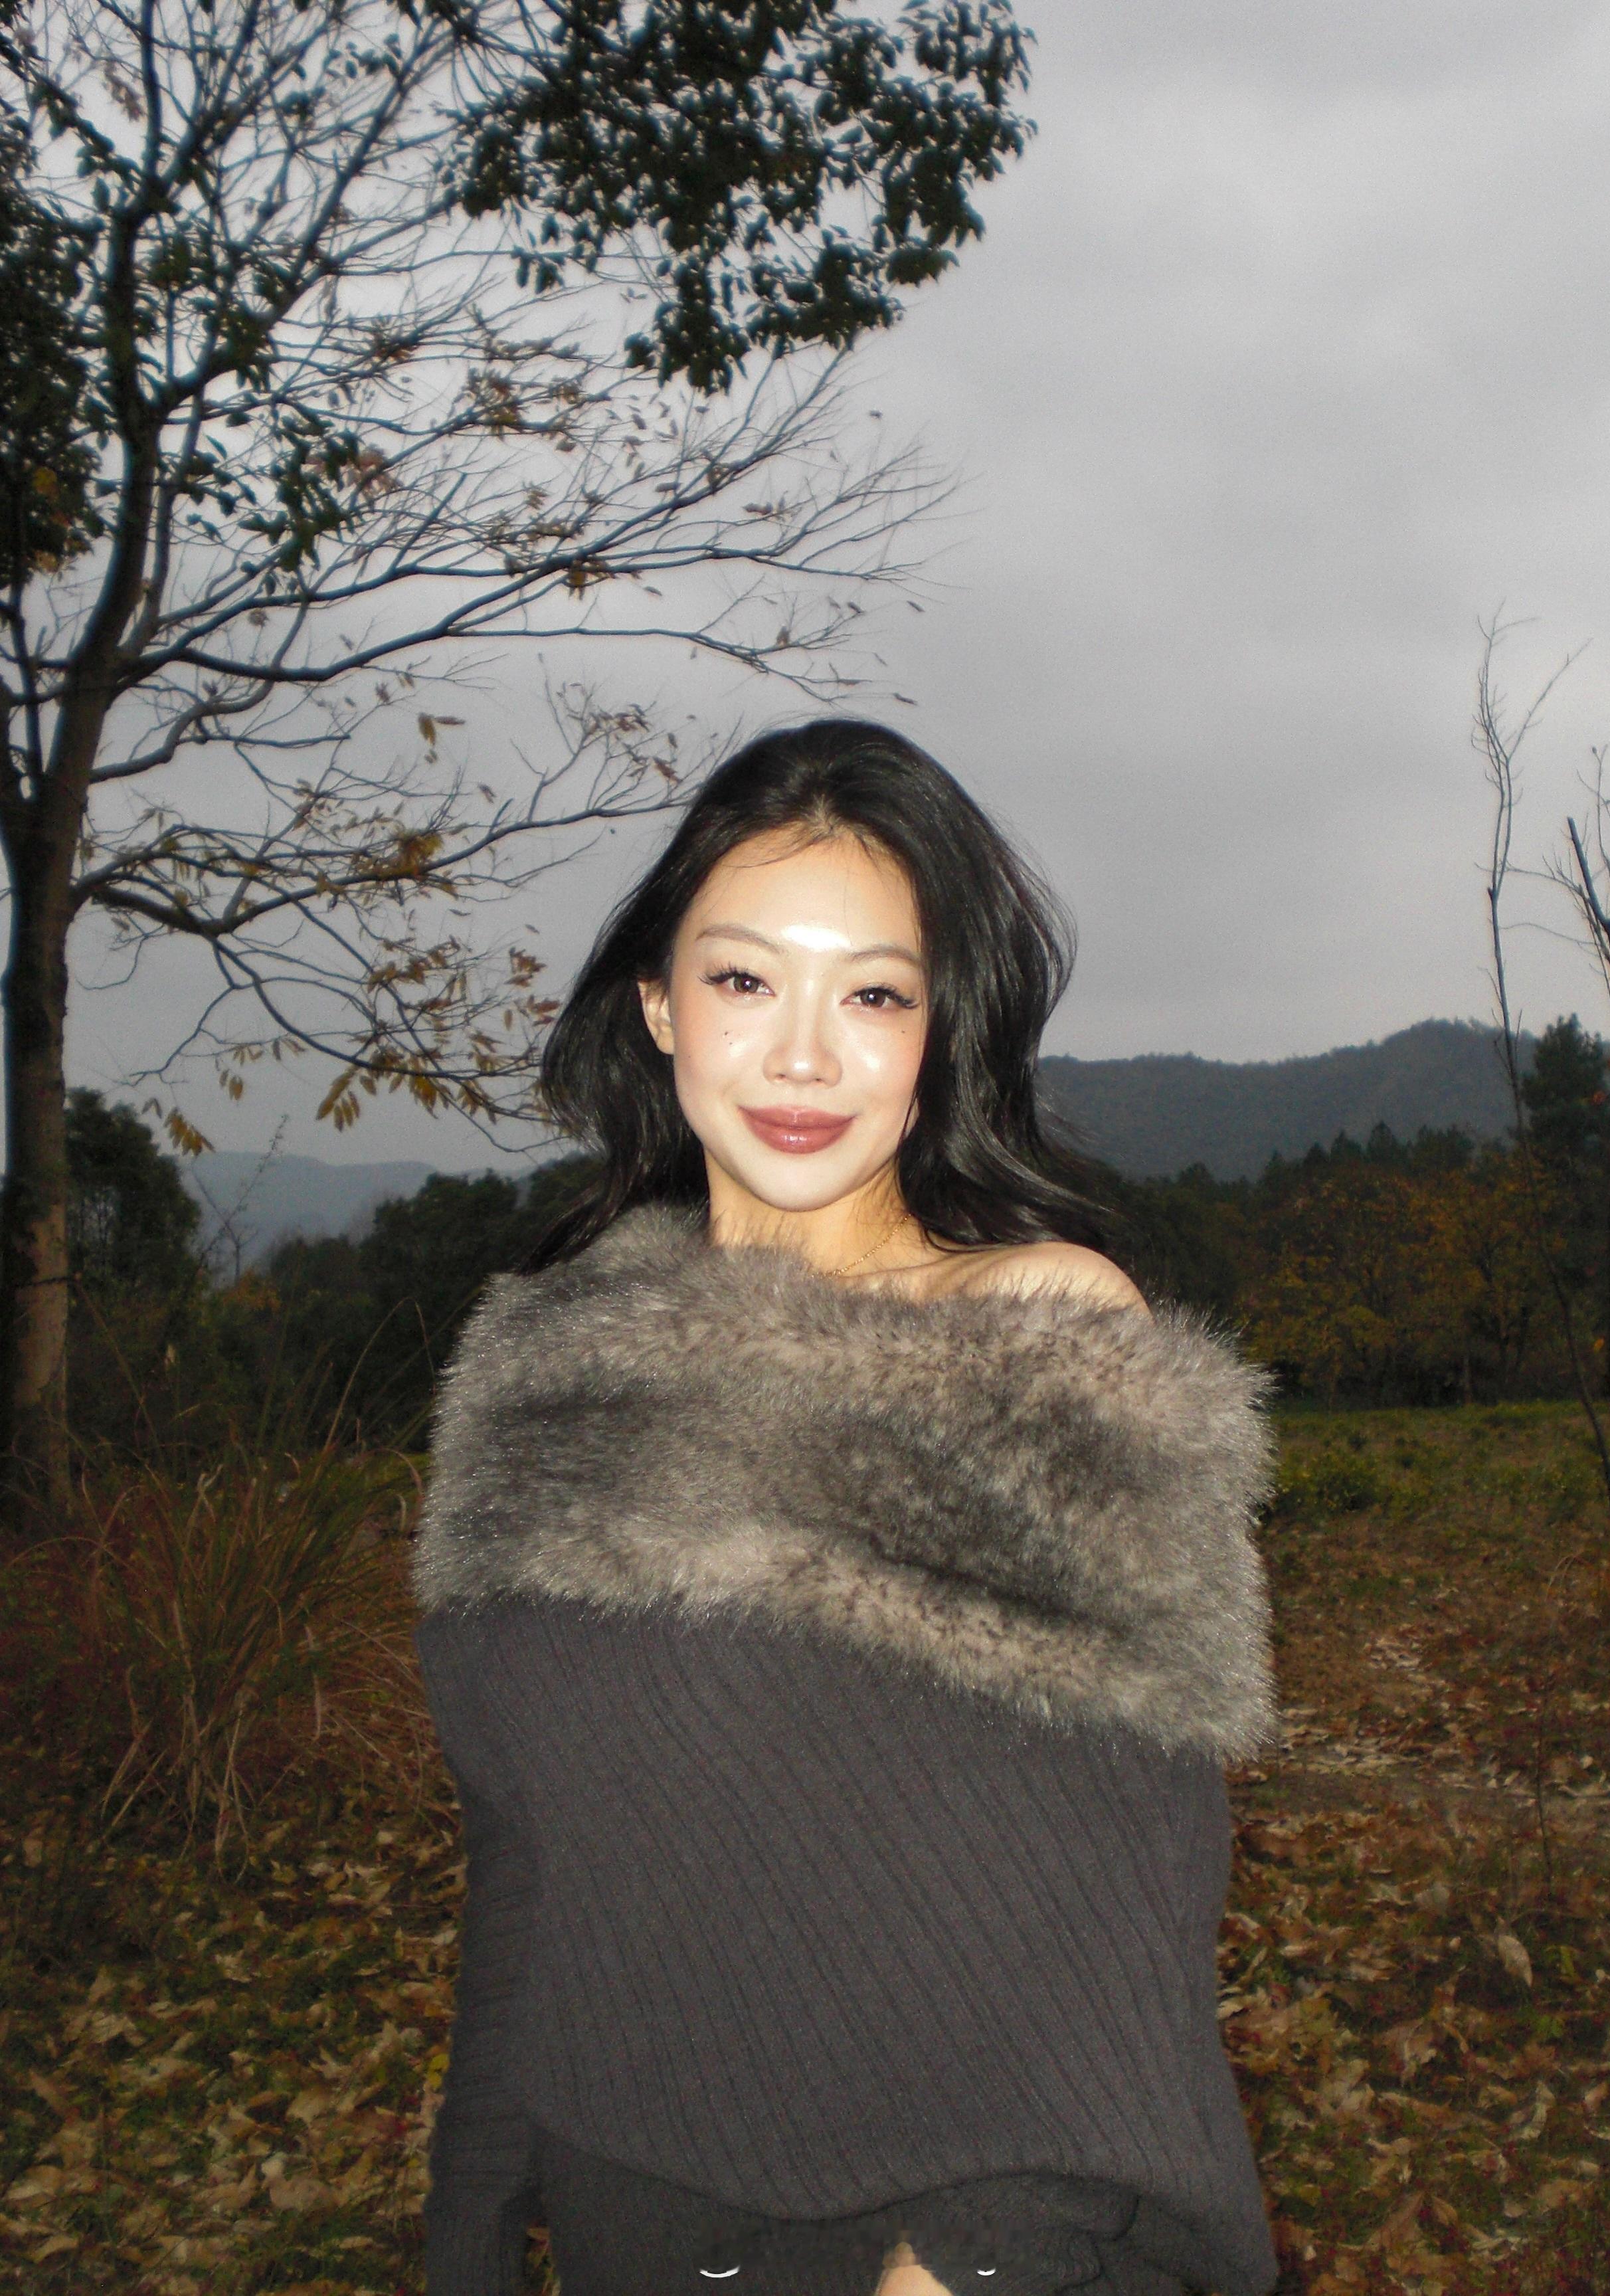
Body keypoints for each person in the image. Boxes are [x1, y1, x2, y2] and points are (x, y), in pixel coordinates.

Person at [412, 720, 1279, 2296]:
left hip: (944, 2246)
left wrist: (966, 2263)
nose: (805, 1057)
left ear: (938, 1031)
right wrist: (468, 2229)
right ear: (659, 1004)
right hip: (632, 2222)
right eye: (746, 980)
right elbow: (528, 1853)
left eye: (874, 995)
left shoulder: (1034, 1328)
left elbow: (1130, 1883)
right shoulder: (556, 1359)